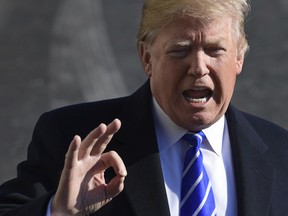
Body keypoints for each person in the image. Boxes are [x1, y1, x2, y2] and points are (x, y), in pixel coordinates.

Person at [0, 0, 288, 215]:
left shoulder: (280, 152)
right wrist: (57, 210)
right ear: (146, 57)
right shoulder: (71, 137)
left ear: (239, 57)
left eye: (215, 50)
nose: (198, 68)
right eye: (180, 49)